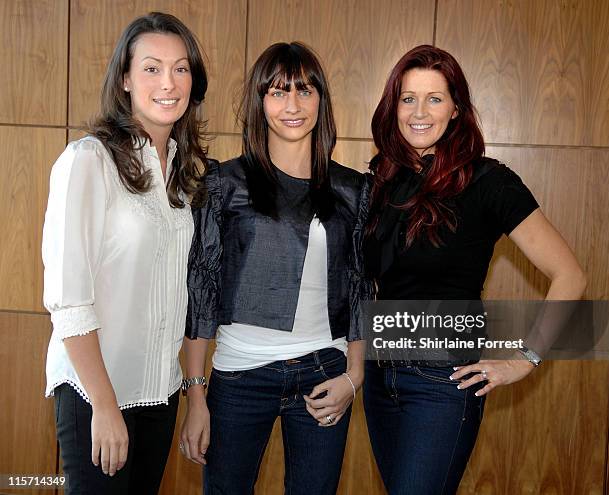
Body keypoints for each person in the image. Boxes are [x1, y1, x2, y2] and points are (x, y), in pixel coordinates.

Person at [362, 45, 586, 494]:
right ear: (393, 107)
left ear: (456, 108)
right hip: (379, 376)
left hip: (441, 382)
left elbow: (571, 276)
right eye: (408, 98)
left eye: (434, 98)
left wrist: (524, 361)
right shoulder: (384, 178)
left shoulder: (487, 181)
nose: (419, 112)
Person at [179, 42, 373, 495]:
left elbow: (361, 287)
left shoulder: (352, 189)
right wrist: (195, 395)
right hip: (240, 375)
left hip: (326, 372)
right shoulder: (225, 183)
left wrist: (354, 375)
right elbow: (201, 290)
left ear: (321, 100)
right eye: (278, 91)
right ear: (259, 101)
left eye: (305, 91)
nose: (292, 105)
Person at [42, 12, 209, 494]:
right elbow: (70, 302)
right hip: (98, 395)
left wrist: (190, 395)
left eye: (181, 68)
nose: (169, 82)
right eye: (152, 68)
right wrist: (105, 405)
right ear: (125, 79)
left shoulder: (183, 172)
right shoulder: (88, 161)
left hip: (160, 394)